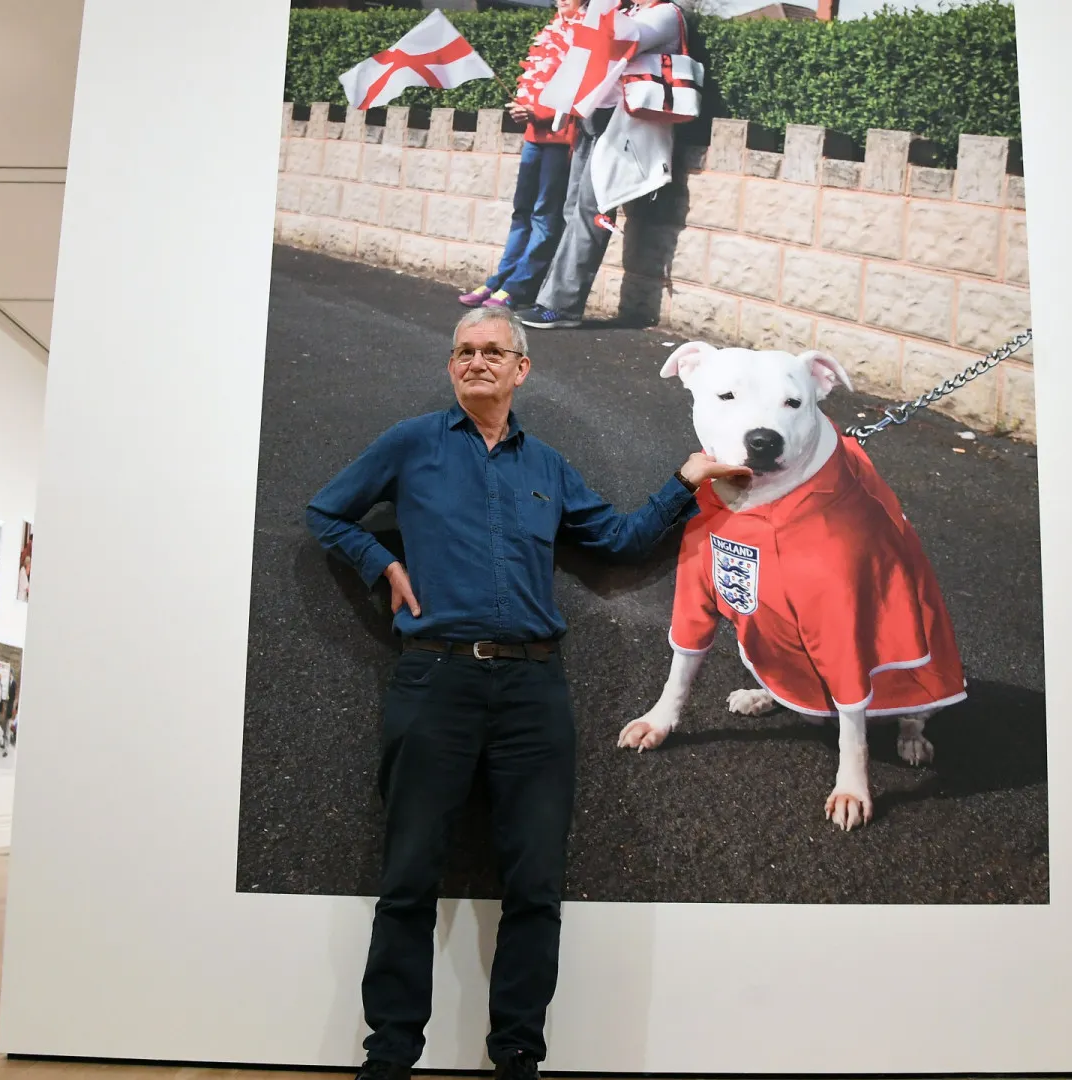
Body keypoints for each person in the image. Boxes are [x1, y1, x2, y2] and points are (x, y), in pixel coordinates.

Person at [306, 307, 745, 1080]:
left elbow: (615, 540)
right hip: (435, 679)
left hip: (533, 690)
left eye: (493, 351)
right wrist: (381, 563)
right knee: (409, 875)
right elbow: (325, 512)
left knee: (535, 885)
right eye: (464, 352)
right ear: (452, 367)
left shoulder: (546, 466)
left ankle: (516, 1057)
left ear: (521, 369)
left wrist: (690, 478)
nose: (477, 361)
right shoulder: (411, 445)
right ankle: (389, 1056)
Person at [518, 0, 688, 331]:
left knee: (592, 210)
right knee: (573, 208)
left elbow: (617, 39)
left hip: (626, 124)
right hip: (597, 117)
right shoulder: (632, 12)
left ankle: (561, 306)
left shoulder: (665, 14)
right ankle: (552, 297)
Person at [459, 0, 583, 312]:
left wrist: (538, 112)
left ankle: (519, 287)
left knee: (543, 215)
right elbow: (537, 79)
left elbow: (580, 92)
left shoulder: (586, 33)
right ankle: (500, 279)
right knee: (522, 212)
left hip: (560, 136)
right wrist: (525, 110)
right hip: (534, 135)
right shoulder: (552, 28)